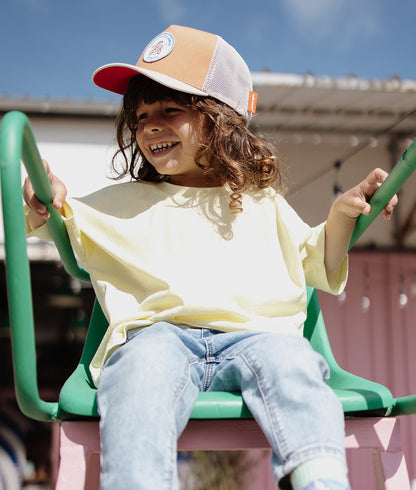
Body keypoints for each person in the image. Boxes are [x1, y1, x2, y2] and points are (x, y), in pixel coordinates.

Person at [24, 25, 397, 490]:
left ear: (221, 118)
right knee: (138, 372)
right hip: (160, 337)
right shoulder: (118, 203)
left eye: (170, 109)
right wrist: (44, 197)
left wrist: (343, 214)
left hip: (255, 337)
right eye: (139, 116)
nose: (149, 125)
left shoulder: (261, 202)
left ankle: (319, 480)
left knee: (294, 363)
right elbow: (52, 219)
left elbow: (317, 261)